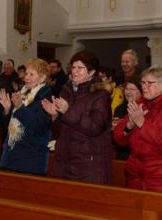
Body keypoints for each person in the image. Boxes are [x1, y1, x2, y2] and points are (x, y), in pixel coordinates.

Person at [112, 67, 162, 194]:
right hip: (137, 178)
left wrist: (143, 123)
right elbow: (118, 138)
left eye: (149, 83)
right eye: (143, 83)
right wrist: (129, 125)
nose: (144, 87)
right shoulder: (140, 104)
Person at [43, 51, 113, 184]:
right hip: (65, 159)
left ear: (91, 72)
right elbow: (58, 131)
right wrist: (54, 116)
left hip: (88, 162)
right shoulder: (67, 91)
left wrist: (68, 111)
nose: (75, 71)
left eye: (80, 68)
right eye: (73, 67)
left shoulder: (100, 95)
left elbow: (95, 128)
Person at [0, 59, 53, 175]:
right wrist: (7, 110)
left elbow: (38, 127)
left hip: (30, 159)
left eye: (31, 74)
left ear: (42, 78)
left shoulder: (45, 98)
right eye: (26, 74)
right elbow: (10, 126)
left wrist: (20, 108)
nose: (26, 77)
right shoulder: (23, 93)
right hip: (11, 154)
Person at [112, 81, 142, 160]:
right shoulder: (120, 108)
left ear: (141, 91)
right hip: (121, 150)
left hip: (137, 152)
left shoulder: (144, 108)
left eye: (132, 89)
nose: (128, 92)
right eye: (126, 89)